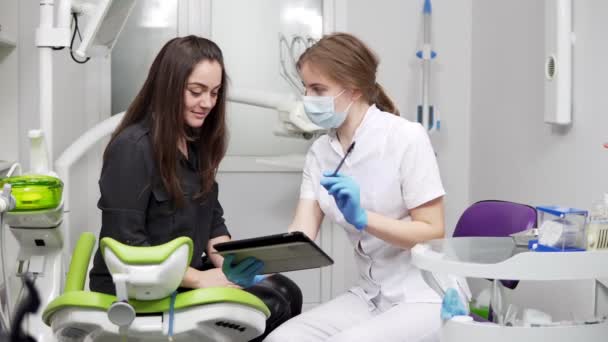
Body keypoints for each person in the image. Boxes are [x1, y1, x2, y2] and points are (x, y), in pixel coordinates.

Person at [88, 35, 302, 341]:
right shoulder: (132, 148)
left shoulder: (195, 145)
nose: (207, 103)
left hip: (180, 276)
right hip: (138, 287)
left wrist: (229, 265)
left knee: (285, 289)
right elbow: (128, 248)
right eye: (196, 92)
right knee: (270, 305)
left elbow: (213, 220)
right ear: (168, 87)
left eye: (214, 93)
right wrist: (200, 280)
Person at [265, 32, 446, 342]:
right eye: (306, 88)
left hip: (423, 295)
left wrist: (363, 218)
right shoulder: (321, 152)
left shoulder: (405, 138)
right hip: (371, 296)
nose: (308, 98)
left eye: (318, 89)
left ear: (353, 89)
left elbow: (432, 229)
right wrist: (258, 266)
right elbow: (301, 233)